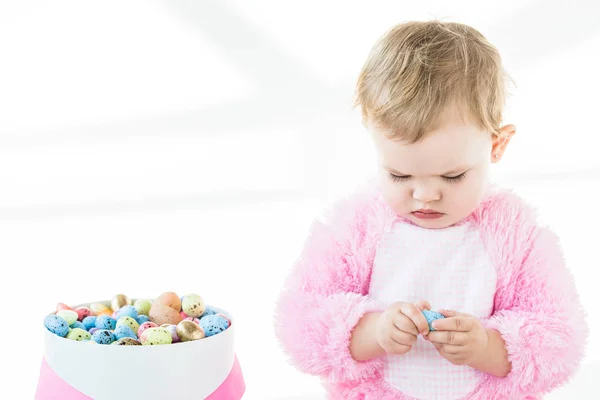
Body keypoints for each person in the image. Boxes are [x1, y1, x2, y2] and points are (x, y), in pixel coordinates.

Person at [274, 20, 587, 399]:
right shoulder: (356, 227)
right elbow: (300, 323)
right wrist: (373, 332)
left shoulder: (516, 234)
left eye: (452, 176)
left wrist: (488, 347)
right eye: (399, 174)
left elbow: (560, 340)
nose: (424, 196)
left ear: (496, 146)